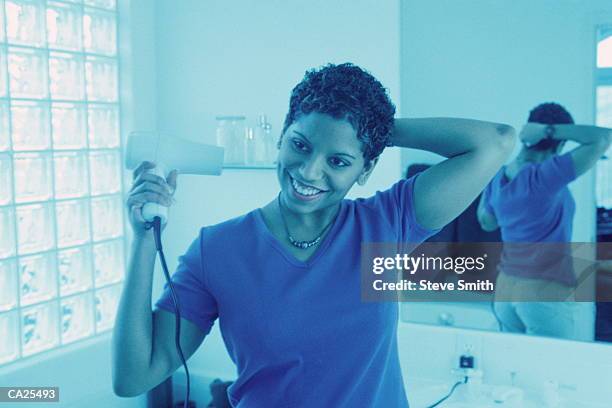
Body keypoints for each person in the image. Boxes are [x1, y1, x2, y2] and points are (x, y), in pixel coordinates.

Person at [112, 63, 515, 406]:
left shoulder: (387, 223)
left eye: (338, 160)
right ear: (282, 137)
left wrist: (373, 127)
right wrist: (143, 243)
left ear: (366, 170)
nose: (308, 171)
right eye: (301, 145)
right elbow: (134, 377)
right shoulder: (216, 249)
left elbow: (496, 142)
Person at [478, 102, 611, 341]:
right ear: (560, 142)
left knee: (517, 368)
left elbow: (487, 222)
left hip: (506, 289)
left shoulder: (499, 175)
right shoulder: (545, 175)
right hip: (543, 289)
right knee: (555, 370)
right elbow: (603, 138)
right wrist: (549, 130)